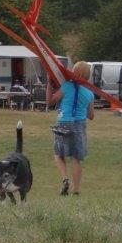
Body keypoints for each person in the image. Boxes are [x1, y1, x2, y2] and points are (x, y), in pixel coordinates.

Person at [47, 61, 94, 196]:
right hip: (79, 125)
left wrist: (49, 84)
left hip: (63, 123)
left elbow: (50, 101)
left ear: (75, 73)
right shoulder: (89, 94)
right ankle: (76, 189)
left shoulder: (66, 86)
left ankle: (65, 179)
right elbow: (91, 116)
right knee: (76, 158)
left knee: (58, 154)